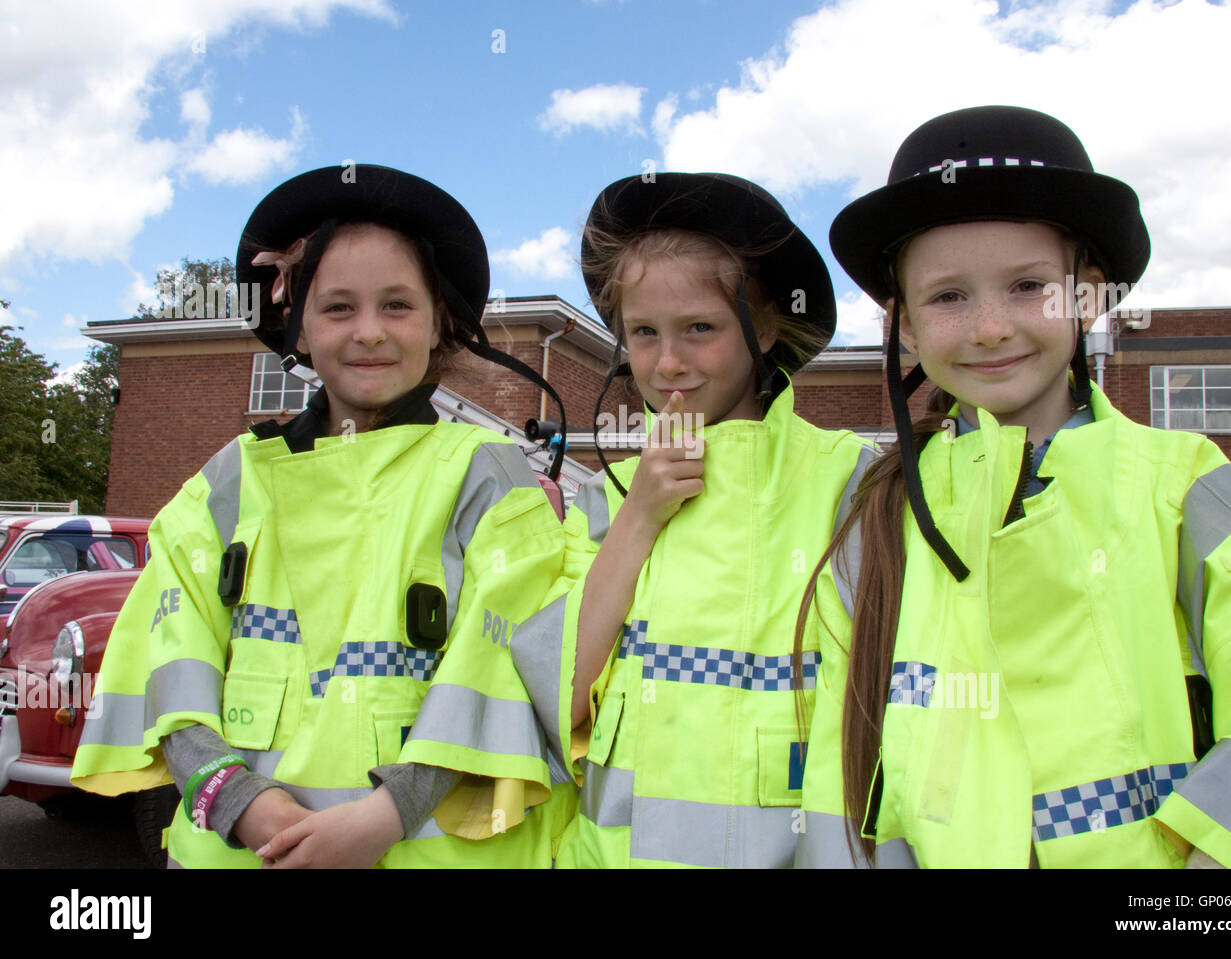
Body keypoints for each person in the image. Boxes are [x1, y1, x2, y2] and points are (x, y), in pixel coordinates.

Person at [795, 105, 1231, 868]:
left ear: (1087, 297)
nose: (990, 327)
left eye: (1028, 286)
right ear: (902, 326)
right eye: (948, 296)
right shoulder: (883, 507)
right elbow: (845, 747)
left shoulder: (1183, 480)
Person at [72, 164, 576, 867]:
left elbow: (504, 670)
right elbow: (169, 659)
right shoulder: (228, 480)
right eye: (339, 307)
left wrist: (385, 816)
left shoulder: (486, 475)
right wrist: (241, 802)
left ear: (440, 326)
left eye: (397, 305)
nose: (368, 331)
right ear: (298, 328)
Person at [509, 172, 873, 867]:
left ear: (764, 327)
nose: (668, 362)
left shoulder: (847, 483)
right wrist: (639, 518)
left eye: (699, 328)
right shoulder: (605, 498)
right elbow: (557, 704)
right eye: (643, 332)